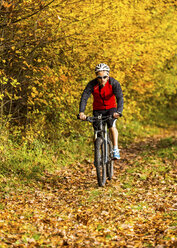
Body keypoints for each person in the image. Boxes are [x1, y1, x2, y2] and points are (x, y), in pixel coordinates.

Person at [78, 63, 124, 160]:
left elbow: (120, 98)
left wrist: (119, 112)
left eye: (104, 77)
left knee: (112, 125)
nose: (102, 79)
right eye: (99, 77)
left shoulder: (114, 83)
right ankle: (97, 152)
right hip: (98, 109)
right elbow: (84, 97)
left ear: (108, 76)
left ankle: (115, 148)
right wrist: (81, 112)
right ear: (96, 76)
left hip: (111, 108)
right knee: (97, 131)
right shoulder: (92, 84)